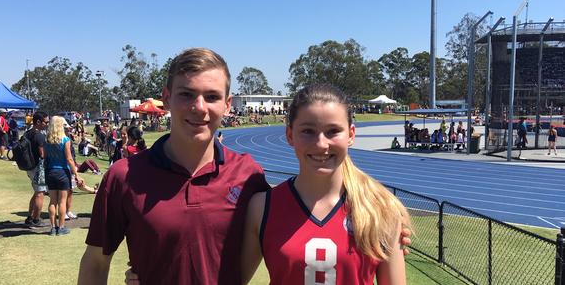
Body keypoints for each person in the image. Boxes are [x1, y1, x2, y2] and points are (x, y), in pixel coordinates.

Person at [81, 48, 413, 285]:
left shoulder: (248, 177)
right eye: (187, 95)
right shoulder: (124, 177)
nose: (199, 107)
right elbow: (96, 264)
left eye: (211, 96)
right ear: (167, 98)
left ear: (227, 104)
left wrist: (387, 209)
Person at [241, 84, 409, 285]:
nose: (321, 144)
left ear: (351, 135)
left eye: (333, 131)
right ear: (289, 135)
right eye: (308, 131)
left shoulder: (381, 209)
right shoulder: (262, 207)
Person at [44, 116, 83, 235]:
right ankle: (61, 227)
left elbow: (45, 157)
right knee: (62, 201)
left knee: (52, 201)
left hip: (50, 171)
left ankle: (52, 227)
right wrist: (76, 174)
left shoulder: (47, 140)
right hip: (62, 172)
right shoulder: (65, 140)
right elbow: (69, 158)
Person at [23, 111, 50, 228]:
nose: (47, 124)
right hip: (37, 167)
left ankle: (30, 217)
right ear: (38, 122)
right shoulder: (39, 135)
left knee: (36, 192)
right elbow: (42, 154)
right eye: (46, 122)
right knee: (40, 193)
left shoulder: (27, 133)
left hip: (29, 166)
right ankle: (36, 219)